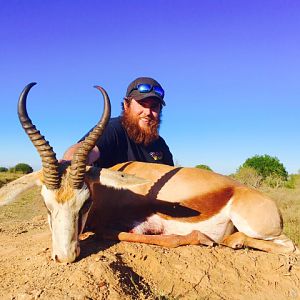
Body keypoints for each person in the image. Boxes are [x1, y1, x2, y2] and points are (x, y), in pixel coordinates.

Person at [63, 77, 174, 167]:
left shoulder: (160, 144)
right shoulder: (113, 129)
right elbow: (87, 150)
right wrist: (72, 160)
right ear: (126, 105)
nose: (148, 112)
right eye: (142, 104)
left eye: (154, 106)